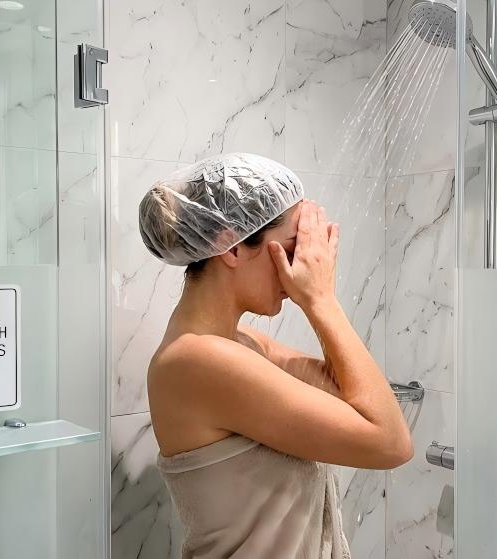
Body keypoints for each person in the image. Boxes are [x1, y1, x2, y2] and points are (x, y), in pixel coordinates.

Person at [138, 153, 414, 559]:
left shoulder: (243, 344)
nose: (300, 265)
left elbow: (354, 398)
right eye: (290, 247)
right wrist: (320, 299)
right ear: (230, 248)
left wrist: (319, 296)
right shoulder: (196, 361)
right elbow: (390, 442)